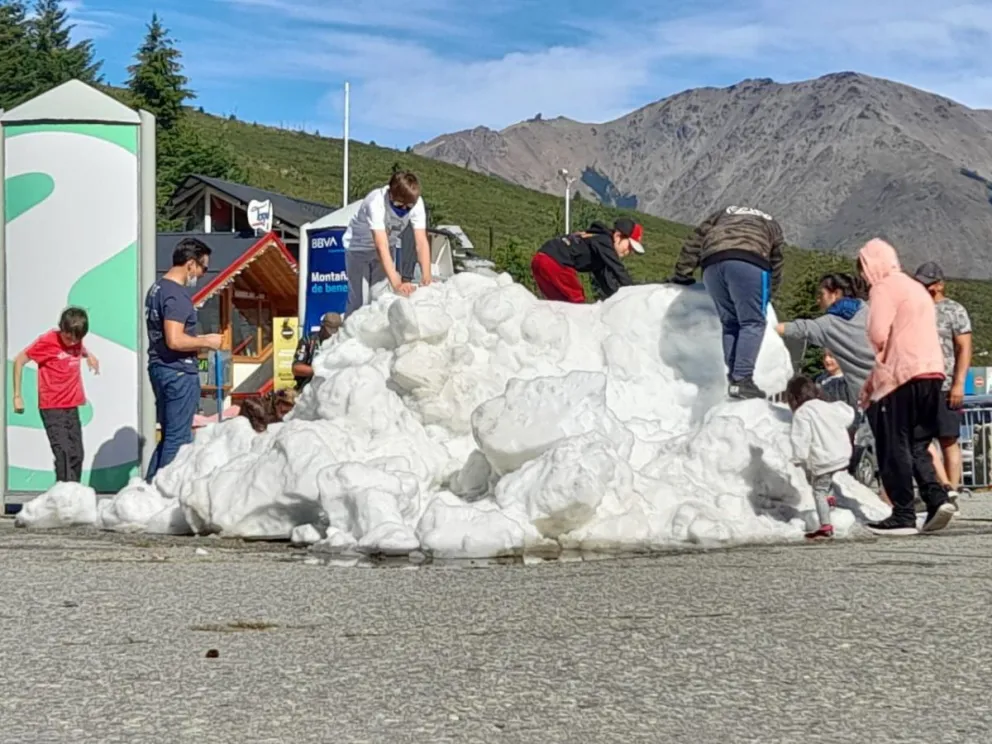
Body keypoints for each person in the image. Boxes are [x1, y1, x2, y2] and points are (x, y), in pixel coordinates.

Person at [857, 239, 955, 536]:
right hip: (933, 372)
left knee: (893, 443)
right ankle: (937, 498)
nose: (863, 276)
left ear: (872, 265)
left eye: (862, 268)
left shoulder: (884, 287)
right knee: (917, 442)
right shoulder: (915, 287)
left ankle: (902, 514)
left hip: (903, 375)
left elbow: (877, 333)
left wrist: (872, 379)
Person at [667, 205, 785, 400]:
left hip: (712, 264)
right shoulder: (772, 223)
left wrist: (682, 274)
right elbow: (776, 261)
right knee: (752, 322)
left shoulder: (724, 212)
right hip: (750, 261)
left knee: (730, 323)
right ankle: (743, 380)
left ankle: (733, 379)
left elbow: (695, 240)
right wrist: (767, 294)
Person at [145, 238, 223, 482]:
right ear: (190, 264)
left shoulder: (157, 289)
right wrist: (206, 341)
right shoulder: (176, 296)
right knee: (178, 441)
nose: (201, 275)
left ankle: (148, 490)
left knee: (169, 435)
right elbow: (175, 340)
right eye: (202, 268)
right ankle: (164, 495)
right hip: (178, 371)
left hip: (160, 367)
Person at [12, 307, 99, 483]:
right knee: (64, 454)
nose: (72, 343)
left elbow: (79, 347)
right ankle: (64, 497)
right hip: (52, 407)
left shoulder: (76, 340)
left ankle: (73, 493)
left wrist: (89, 355)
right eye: (68, 338)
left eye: (78, 339)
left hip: (71, 406)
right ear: (62, 329)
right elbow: (19, 360)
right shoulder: (48, 341)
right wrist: (17, 396)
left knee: (77, 454)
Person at [914, 262, 972, 501]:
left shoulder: (954, 310)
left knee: (948, 438)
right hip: (919, 383)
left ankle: (954, 489)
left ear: (939, 284)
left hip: (946, 383)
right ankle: (943, 485)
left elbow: (964, 347)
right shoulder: (915, 309)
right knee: (920, 438)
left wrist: (959, 383)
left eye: (927, 284)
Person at [776, 273, 874, 406]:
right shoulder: (867, 309)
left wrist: (761, 327)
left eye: (821, 294)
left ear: (836, 294)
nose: (818, 301)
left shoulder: (828, 325)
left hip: (865, 398)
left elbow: (799, 328)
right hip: (893, 387)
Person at [344, 171, 432, 314]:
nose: (403, 210)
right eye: (398, 205)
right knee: (359, 302)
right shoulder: (375, 202)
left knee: (381, 298)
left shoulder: (417, 203)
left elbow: (421, 241)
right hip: (359, 248)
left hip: (388, 246)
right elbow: (380, 245)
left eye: (408, 207)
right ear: (390, 194)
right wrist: (397, 283)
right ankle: (350, 334)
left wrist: (427, 277)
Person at [786, 375, 855, 540]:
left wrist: (798, 458)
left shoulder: (803, 413)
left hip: (825, 459)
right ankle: (830, 501)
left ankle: (825, 526)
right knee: (827, 482)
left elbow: (801, 438)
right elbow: (847, 414)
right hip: (841, 455)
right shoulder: (827, 406)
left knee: (819, 490)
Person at [530, 218, 644, 303]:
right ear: (618, 236)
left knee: (559, 304)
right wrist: (633, 294)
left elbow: (607, 283)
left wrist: (617, 299)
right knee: (577, 302)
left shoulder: (598, 244)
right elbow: (618, 269)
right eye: (629, 246)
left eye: (632, 250)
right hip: (555, 262)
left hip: (539, 259)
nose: (628, 252)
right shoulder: (605, 241)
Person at [292, 312, 342, 391]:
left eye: (335, 331)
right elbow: (296, 368)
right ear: (322, 326)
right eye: (329, 331)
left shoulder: (341, 343)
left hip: (333, 389)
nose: (331, 335)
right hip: (307, 389)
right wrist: (320, 371)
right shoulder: (308, 340)